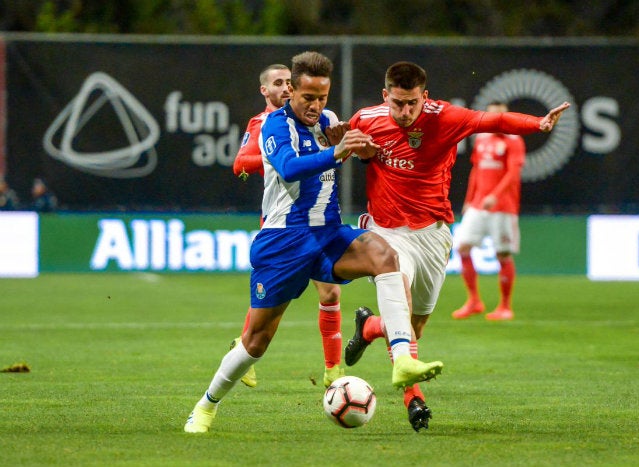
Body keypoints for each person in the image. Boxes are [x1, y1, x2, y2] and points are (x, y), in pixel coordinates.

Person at [184, 51, 443, 434]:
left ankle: (403, 357)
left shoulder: (330, 122)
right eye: (308, 97)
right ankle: (205, 406)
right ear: (291, 91)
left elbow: (357, 152)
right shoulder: (274, 125)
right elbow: (288, 168)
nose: (316, 105)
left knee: (384, 255)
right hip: (282, 243)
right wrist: (336, 151)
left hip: (327, 234)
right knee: (256, 341)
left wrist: (362, 150)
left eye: (322, 97)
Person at [344, 61, 569, 431]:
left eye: (412, 103)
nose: (404, 112)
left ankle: (370, 327)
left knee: (413, 327)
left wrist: (538, 123)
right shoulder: (366, 119)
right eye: (398, 103)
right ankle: (413, 399)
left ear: (424, 97)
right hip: (384, 233)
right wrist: (340, 142)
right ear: (386, 96)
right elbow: (333, 145)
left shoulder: (444, 116)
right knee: (397, 291)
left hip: (432, 234)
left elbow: (492, 122)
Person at [231, 63, 345, 389]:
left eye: (286, 82)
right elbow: (240, 163)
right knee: (270, 305)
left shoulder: (317, 119)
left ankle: (333, 369)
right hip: (283, 225)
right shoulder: (264, 123)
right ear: (265, 91)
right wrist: (276, 157)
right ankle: (245, 349)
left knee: (331, 290)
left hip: (318, 220)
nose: (283, 87)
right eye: (276, 83)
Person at [452, 101, 524, 321]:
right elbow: (476, 169)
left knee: (502, 253)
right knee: (463, 247)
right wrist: (469, 198)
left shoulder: (514, 141)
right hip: (478, 205)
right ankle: (474, 300)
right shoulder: (481, 138)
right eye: (492, 116)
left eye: (500, 116)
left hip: (502, 207)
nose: (496, 121)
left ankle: (505, 306)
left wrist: (496, 195)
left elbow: (513, 172)